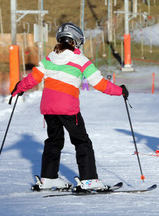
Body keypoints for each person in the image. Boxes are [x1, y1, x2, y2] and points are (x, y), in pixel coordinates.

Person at [10, 23, 129, 191]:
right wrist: (120, 91)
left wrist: (18, 88)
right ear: (75, 41)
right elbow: (99, 84)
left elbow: (32, 79)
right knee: (82, 142)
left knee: (53, 141)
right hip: (67, 108)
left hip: (49, 109)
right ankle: (89, 180)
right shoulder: (81, 60)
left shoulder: (49, 58)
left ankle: (48, 178)